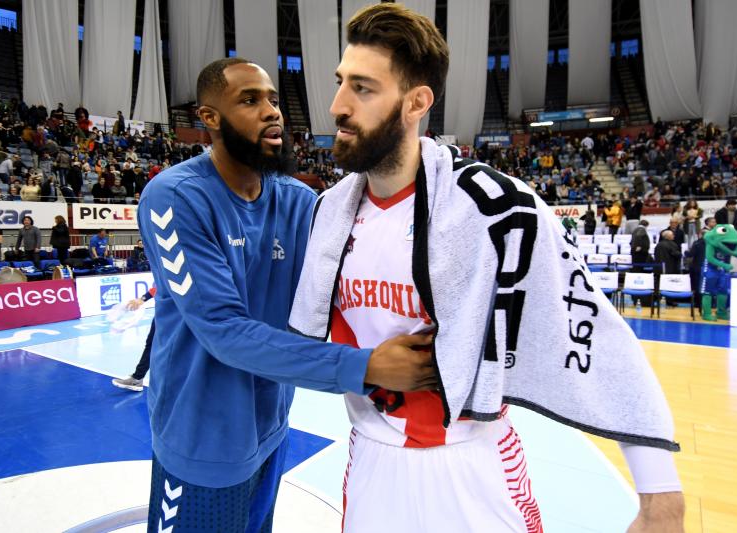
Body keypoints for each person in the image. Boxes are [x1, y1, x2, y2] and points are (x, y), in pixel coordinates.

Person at [288, 4, 683, 532]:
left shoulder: (498, 208)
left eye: (362, 88)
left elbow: (591, 332)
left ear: (416, 102)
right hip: (371, 465)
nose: (337, 105)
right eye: (340, 82)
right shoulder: (327, 212)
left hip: (474, 469)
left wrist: (661, 496)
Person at [137, 57, 435, 533]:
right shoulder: (174, 196)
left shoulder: (298, 200)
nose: (272, 111)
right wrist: (367, 367)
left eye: (274, 99)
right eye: (250, 100)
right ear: (209, 117)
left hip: (271, 425)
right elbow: (224, 331)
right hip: (200, 439)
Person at [112, 287, 157, 392]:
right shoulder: (163, 273)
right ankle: (137, 378)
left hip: (175, 314)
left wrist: (142, 299)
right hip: (163, 314)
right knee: (151, 345)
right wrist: (142, 299)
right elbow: (161, 284)